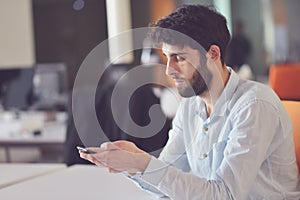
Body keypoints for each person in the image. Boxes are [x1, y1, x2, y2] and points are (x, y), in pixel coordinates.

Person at [79, 4, 300, 199]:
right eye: (167, 57)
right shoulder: (190, 106)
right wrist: (134, 161)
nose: (168, 69)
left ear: (213, 54)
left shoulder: (254, 105)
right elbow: (167, 182)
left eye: (180, 58)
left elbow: (224, 195)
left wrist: (142, 164)